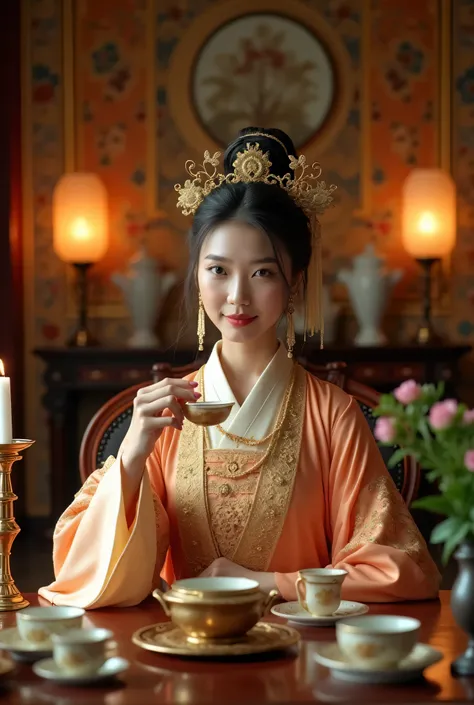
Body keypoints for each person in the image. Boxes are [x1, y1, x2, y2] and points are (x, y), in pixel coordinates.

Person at [39, 128, 440, 609]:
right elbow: (82, 572)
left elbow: (400, 571)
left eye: (263, 272)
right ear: (197, 274)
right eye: (219, 270)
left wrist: (270, 581)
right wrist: (131, 457)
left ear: (294, 283)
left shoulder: (333, 415)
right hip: (182, 652)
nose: (237, 297)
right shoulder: (165, 413)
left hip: (298, 655)